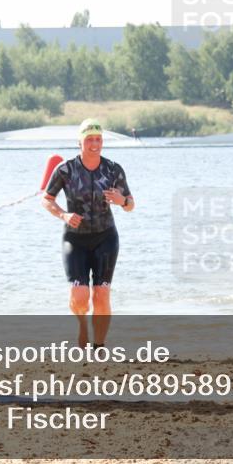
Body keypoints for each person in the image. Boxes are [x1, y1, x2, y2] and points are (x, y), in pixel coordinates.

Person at [42, 119, 134, 348]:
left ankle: (99, 345)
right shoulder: (66, 169)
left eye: (98, 139)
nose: (95, 144)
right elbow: (46, 199)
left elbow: (131, 203)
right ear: (80, 142)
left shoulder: (113, 169)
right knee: (80, 296)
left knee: (102, 295)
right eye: (89, 139)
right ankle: (82, 324)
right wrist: (63, 215)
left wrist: (122, 201)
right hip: (75, 238)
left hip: (106, 237)